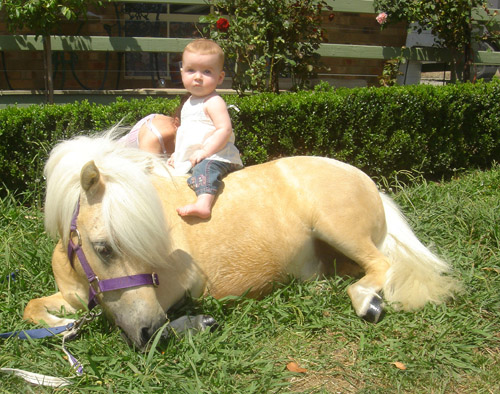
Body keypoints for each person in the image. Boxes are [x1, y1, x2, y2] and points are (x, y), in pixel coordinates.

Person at [168, 39, 243, 219]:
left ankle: (204, 204)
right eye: (191, 70)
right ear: (182, 72)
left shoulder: (213, 102)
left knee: (205, 170)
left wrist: (206, 151)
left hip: (218, 155)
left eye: (207, 71)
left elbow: (224, 130)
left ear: (220, 77)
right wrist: (177, 155)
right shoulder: (188, 103)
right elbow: (188, 136)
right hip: (198, 156)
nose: (198, 76)